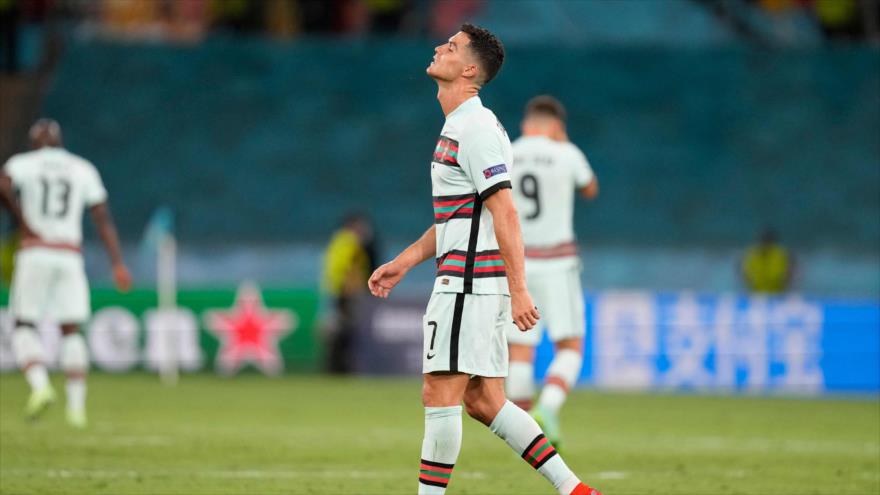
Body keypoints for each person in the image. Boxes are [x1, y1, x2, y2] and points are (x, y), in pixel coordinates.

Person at [367, 24, 600, 495]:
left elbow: (504, 212)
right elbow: (459, 218)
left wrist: (519, 289)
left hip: (468, 284)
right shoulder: (463, 125)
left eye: (451, 47)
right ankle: (575, 490)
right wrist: (406, 261)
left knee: (439, 393)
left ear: (470, 69)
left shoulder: (474, 129)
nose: (439, 47)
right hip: (472, 281)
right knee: (484, 400)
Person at [0, 118, 131, 428]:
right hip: (69, 254)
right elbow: (102, 217)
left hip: (35, 250)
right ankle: (76, 410)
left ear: (34, 143)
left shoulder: (23, 163)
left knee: (24, 325)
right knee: (71, 329)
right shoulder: (82, 168)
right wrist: (117, 263)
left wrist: (22, 220)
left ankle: (40, 385)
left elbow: (3, 184)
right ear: (60, 142)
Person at [505, 95, 599, 451]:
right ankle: (547, 408)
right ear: (556, 126)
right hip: (558, 262)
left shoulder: (508, 152)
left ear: (526, 124)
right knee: (570, 345)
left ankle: (524, 433)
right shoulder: (567, 153)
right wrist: (564, 144)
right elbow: (590, 188)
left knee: (520, 349)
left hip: (518, 263)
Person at [320, 212, 377, 373]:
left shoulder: (337, 242)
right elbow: (348, 268)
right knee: (346, 331)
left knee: (337, 329)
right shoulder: (350, 243)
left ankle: (334, 367)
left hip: (336, 291)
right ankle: (340, 368)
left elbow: (333, 268)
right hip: (346, 293)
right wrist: (352, 288)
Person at [740, 227, 794, 294]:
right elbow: (744, 273)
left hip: (777, 293)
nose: (765, 243)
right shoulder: (751, 254)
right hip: (756, 293)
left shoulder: (781, 254)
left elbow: (789, 273)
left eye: (767, 241)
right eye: (764, 240)